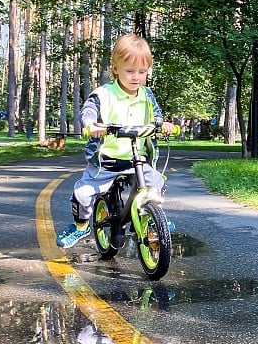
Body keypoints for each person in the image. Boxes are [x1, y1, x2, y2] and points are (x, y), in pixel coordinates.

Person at [56, 33, 174, 248]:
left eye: (142, 72)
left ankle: (152, 219)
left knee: (156, 182)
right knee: (82, 193)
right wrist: (91, 125)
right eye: (129, 71)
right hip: (107, 160)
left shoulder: (147, 95)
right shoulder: (104, 94)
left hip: (136, 158)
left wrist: (163, 124)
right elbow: (89, 110)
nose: (135, 77)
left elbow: (156, 115)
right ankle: (80, 226)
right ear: (115, 68)